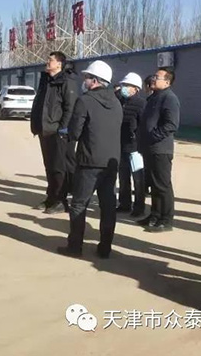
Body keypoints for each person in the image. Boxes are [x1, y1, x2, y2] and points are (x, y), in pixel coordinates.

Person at [57, 61, 122, 259]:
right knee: (108, 206)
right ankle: (105, 248)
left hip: (89, 162)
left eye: (87, 77)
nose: (84, 81)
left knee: (79, 204)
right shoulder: (116, 102)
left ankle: (75, 247)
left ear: (94, 80)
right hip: (111, 161)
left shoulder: (85, 101)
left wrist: (66, 134)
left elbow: (75, 132)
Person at [30, 52, 79, 214]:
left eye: (50, 60)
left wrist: (63, 128)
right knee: (49, 166)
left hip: (58, 131)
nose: (47, 62)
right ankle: (50, 197)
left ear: (59, 64)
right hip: (44, 129)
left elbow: (70, 108)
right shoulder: (46, 80)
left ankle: (60, 200)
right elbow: (40, 104)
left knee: (59, 168)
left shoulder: (67, 81)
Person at [137, 68, 181, 232]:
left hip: (160, 149)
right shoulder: (154, 97)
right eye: (154, 76)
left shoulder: (169, 98)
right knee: (154, 184)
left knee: (162, 185)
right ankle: (154, 215)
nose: (153, 79)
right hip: (149, 149)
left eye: (157, 77)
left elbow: (171, 124)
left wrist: (153, 136)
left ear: (167, 82)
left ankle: (166, 219)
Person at [115, 72, 147, 216]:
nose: (124, 88)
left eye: (127, 85)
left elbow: (144, 126)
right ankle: (124, 204)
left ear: (136, 89)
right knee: (123, 176)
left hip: (135, 147)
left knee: (138, 178)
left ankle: (139, 207)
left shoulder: (141, 104)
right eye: (123, 85)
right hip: (121, 145)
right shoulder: (118, 101)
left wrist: (138, 140)